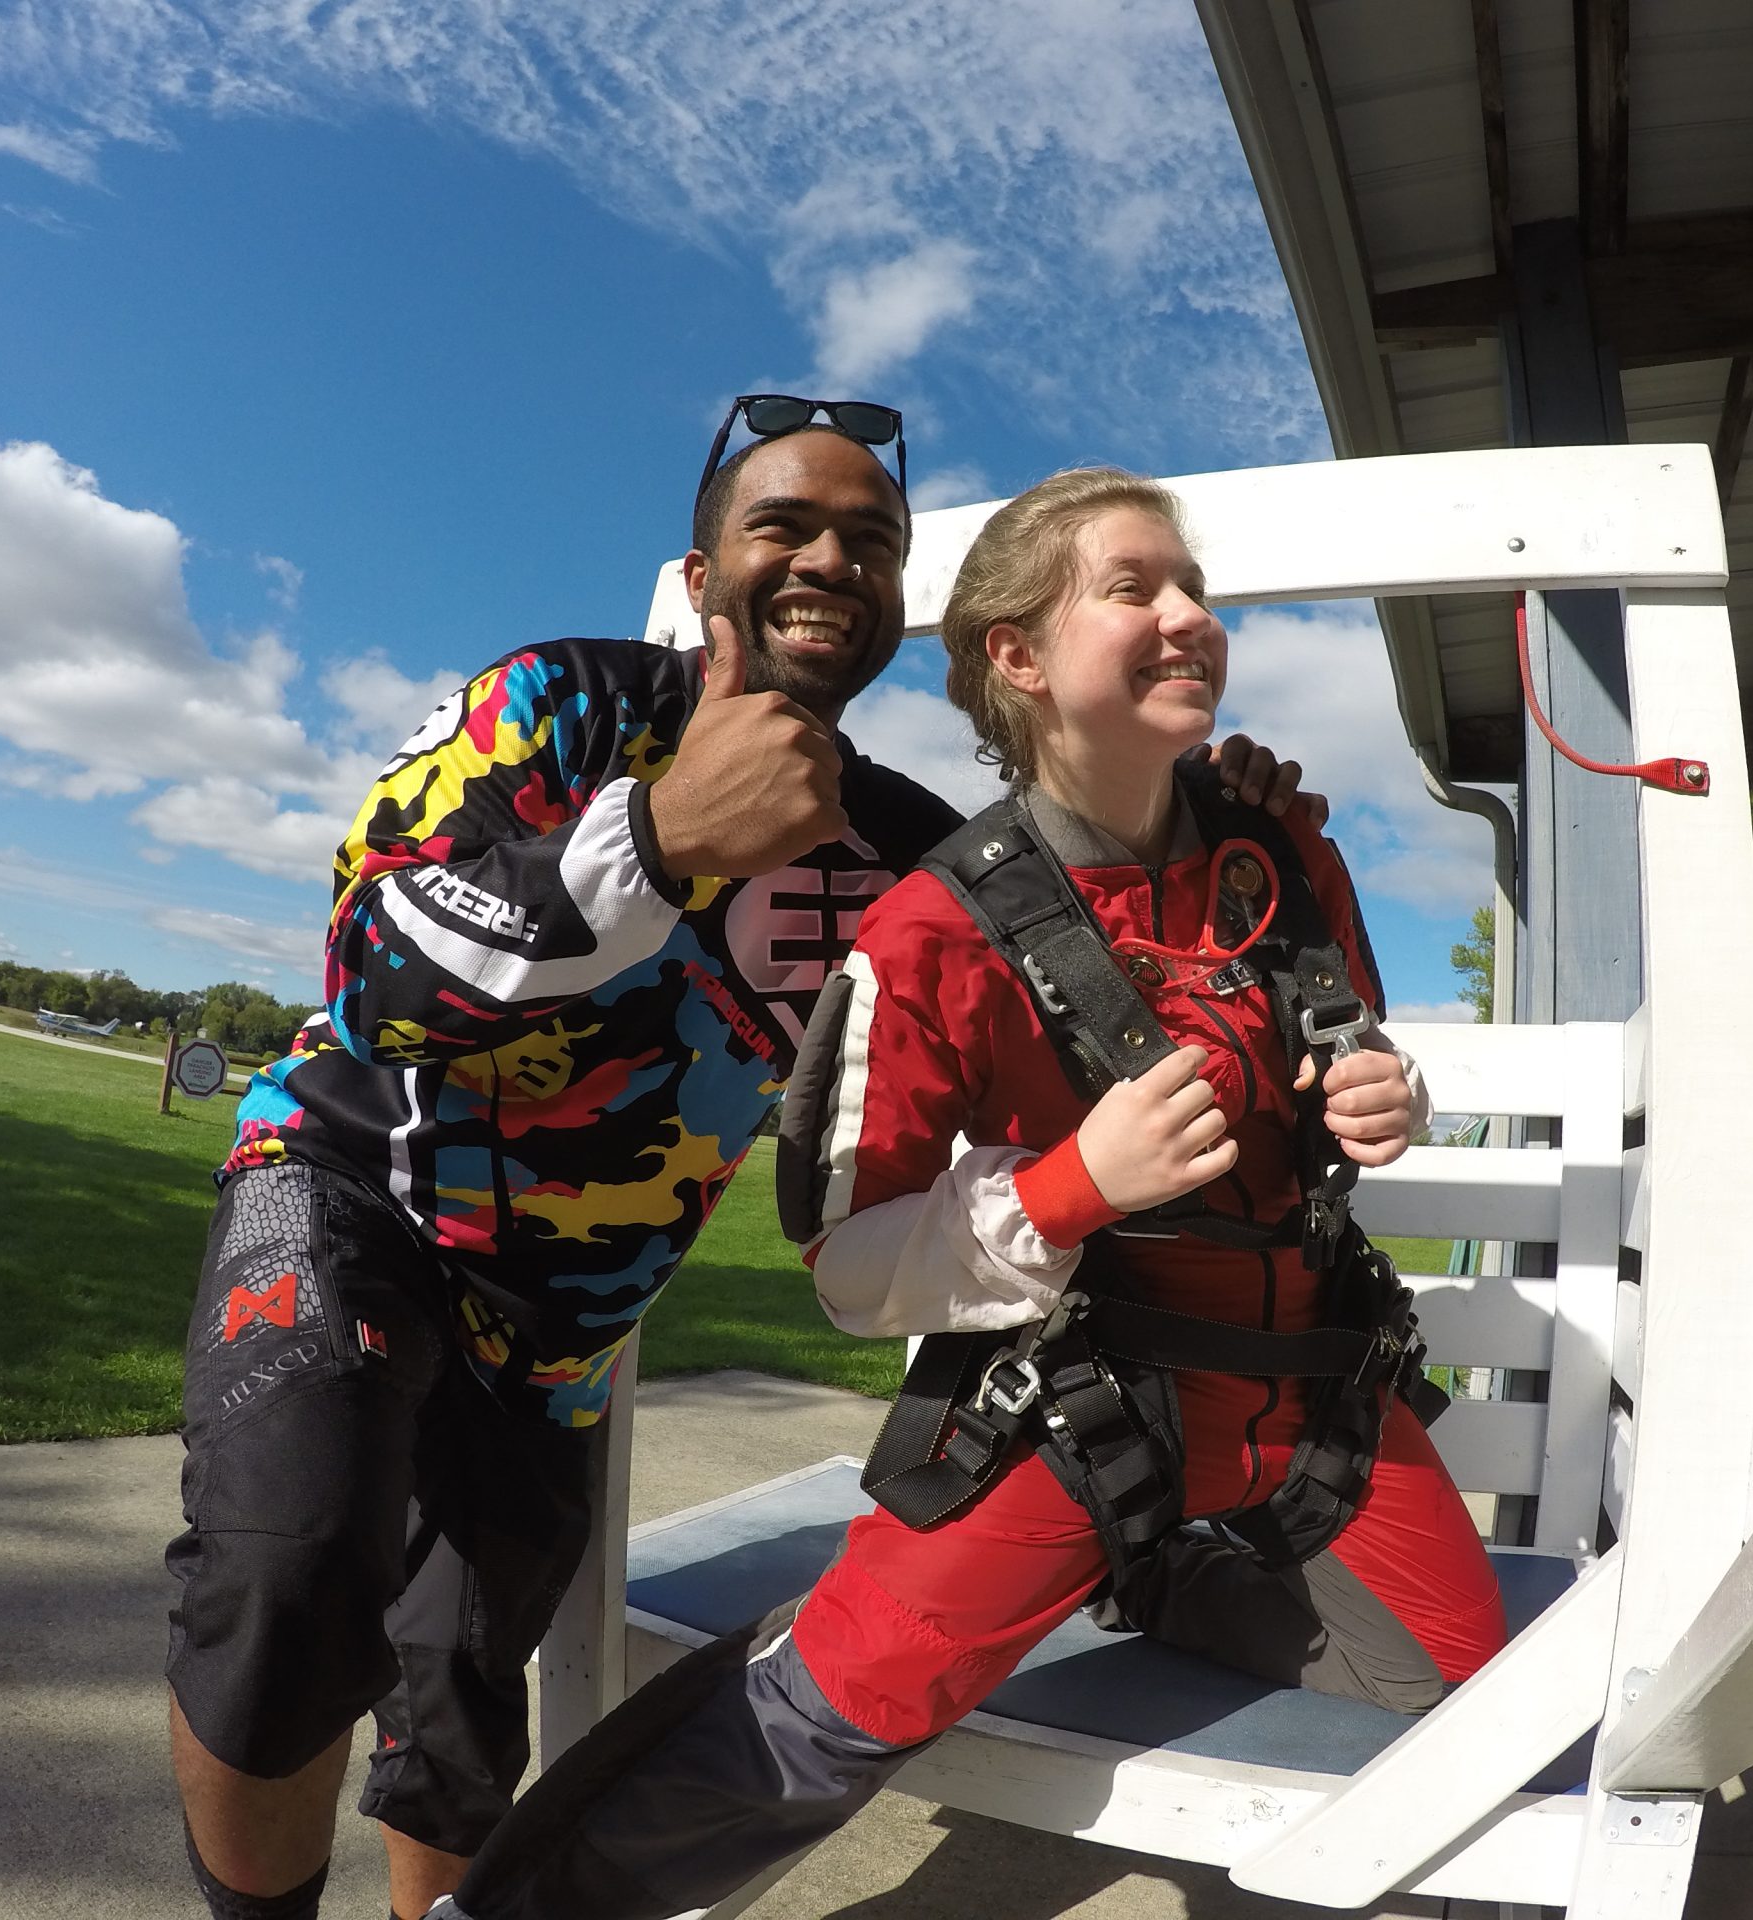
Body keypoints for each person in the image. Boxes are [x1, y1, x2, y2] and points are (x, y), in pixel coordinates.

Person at [164, 404, 1317, 1920]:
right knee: (289, 1573)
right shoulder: (563, 703)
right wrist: (649, 838)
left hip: (562, 1331)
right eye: (785, 524)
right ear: (703, 567)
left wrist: (1234, 851)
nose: (831, 556)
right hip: (353, 1190)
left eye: (873, 541)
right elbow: (373, 964)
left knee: (453, 1708)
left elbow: (1088, 1012)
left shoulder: (917, 852)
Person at [431, 467, 1507, 1920]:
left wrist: (1383, 1091)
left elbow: (1341, 1044)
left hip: (1319, 1405)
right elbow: (850, 1266)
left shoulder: (1282, 852)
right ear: (1016, 653)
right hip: (1083, 1411)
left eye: (1193, 589)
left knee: (1459, 1687)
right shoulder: (931, 930)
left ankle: (1161, 1571)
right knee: (831, 1720)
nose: (1192, 616)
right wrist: (1072, 1186)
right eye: (1137, 588)